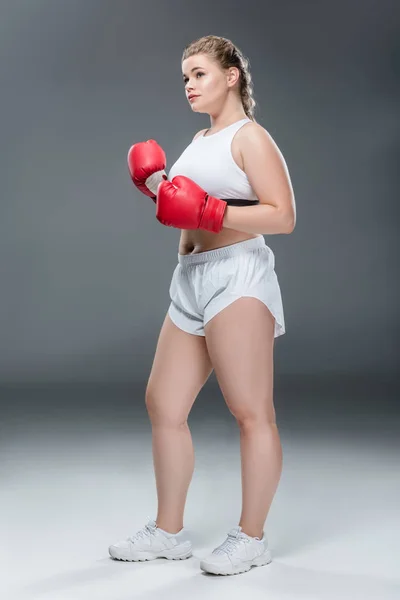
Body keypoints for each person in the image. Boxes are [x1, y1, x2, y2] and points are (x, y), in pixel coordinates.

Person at [109, 35, 296, 576]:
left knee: (250, 411)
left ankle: (251, 538)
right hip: (190, 277)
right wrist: (157, 188)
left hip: (237, 277)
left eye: (199, 74)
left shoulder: (250, 137)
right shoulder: (198, 139)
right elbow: (185, 208)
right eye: (184, 78)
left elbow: (282, 216)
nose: (189, 85)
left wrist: (214, 214)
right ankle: (169, 533)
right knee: (163, 404)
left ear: (231, 75)